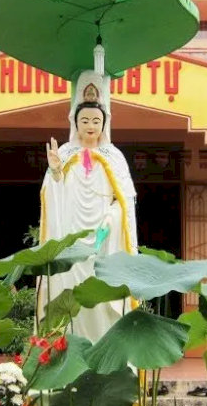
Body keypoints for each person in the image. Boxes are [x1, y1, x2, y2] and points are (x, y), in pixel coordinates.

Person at [40, 70, 139, 342]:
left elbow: (125, 200)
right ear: (75, 122)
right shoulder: (65, 154)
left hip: (104, 239)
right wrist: (56, 172)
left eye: (96, 120)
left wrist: (111, 217)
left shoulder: (114, 157)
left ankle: (105, 352)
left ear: (104, 123)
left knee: (100, 292)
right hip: (71, 235)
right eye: (84, 120)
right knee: (71, 292)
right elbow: (53, 197)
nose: (91, 125)